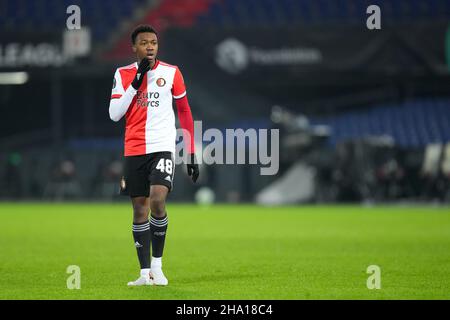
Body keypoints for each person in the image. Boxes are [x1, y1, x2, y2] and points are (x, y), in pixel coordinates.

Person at [108, 25, 199, 286]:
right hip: (134, 148)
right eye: (144, 42)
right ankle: (144, 273)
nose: (150, 46)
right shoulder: (122, 74)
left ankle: (158, 267)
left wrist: (191, 151)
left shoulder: (171, 73)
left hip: (162, 146)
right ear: (134, 47)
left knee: (158, 200)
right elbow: (115, 113)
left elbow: (184, 111)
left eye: (154, 42)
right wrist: (137, 80)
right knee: (139, 209)